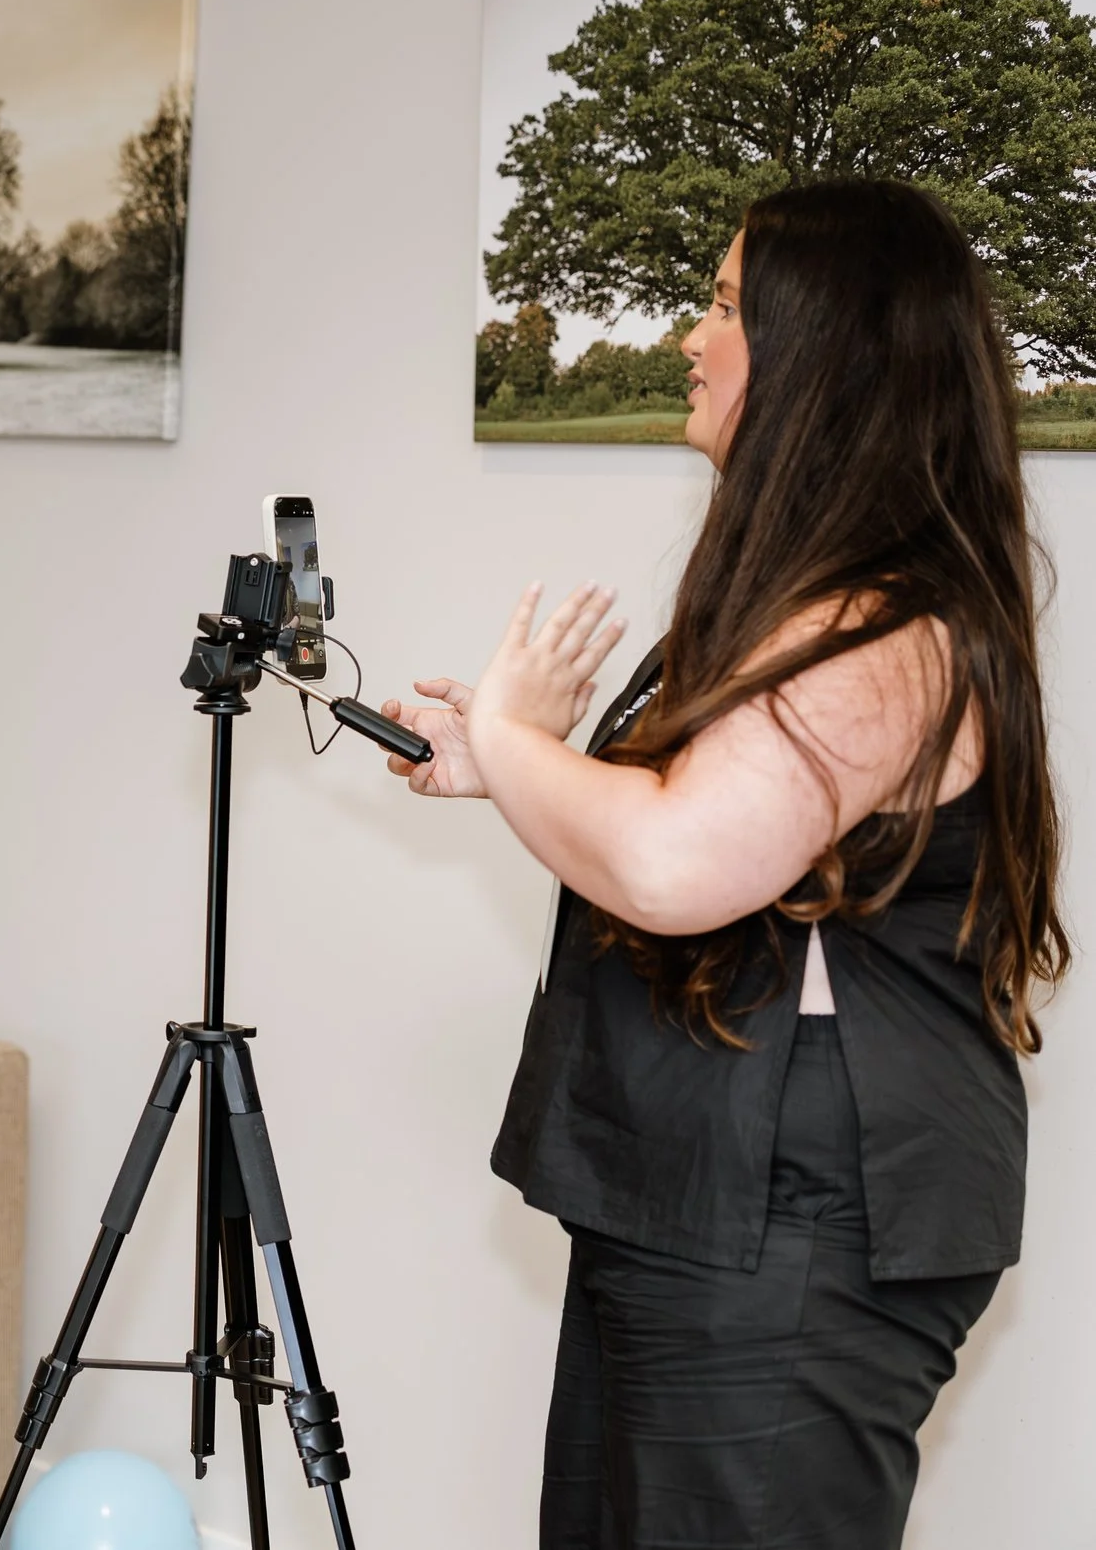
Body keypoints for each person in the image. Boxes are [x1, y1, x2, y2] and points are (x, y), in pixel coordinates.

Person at [382, 180, 1066, 1549]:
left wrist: (516, 737)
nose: (692, 338)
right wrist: (506, 762)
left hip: (790, 1227)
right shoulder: (806, 602)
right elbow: (697, 817)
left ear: (820, 356)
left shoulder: (881, 631)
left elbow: (672, 864)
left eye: (725, 306)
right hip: (696, 1202)